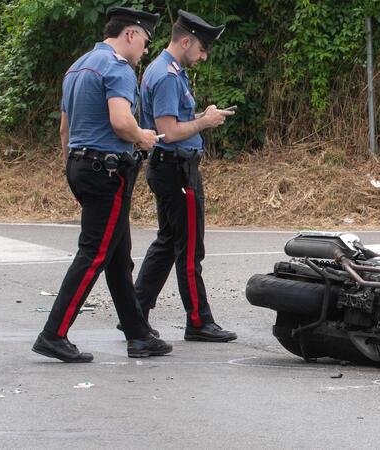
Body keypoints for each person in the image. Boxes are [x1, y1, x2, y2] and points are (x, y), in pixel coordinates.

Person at [32, 7, 173, 362]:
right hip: (106, 172)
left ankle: (138, 335)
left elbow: (64, 129)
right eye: (144, 41)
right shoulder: (117, 68)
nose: (144, 51)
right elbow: (121, 121)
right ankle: (53, 333)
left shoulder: (78, 66)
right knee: (94, 254)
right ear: (130, 34)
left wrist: (72, 167)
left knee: (117, 257)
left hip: (81, 166)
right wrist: (143, 137)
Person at [131, 10, 236, 342]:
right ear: (186, 40)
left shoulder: (166, 70)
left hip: (170, 167)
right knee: (189, 249)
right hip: (176, 168)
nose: (203, 56)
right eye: (202, 49)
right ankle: (198, 321)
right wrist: (204, 123)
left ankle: (134, 311)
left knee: (167, 243)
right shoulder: (166, 76)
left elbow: (175, 121)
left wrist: (201, 116)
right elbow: (170, 131)